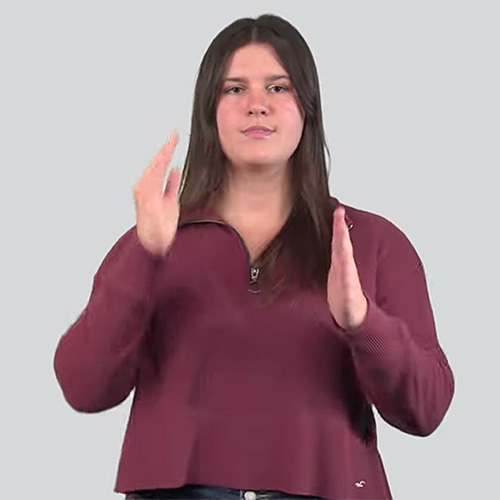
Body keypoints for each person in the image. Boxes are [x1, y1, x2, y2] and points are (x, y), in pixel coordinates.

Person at [53, 13, 455, 500]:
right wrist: (145, 255)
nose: (257, 106)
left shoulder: (369, 241)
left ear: (307, 108)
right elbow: (83, 386)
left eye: (279, 88)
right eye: (234, 89)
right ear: (210, 110)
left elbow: (427, 410)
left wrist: (363, 322)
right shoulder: (153, 239)